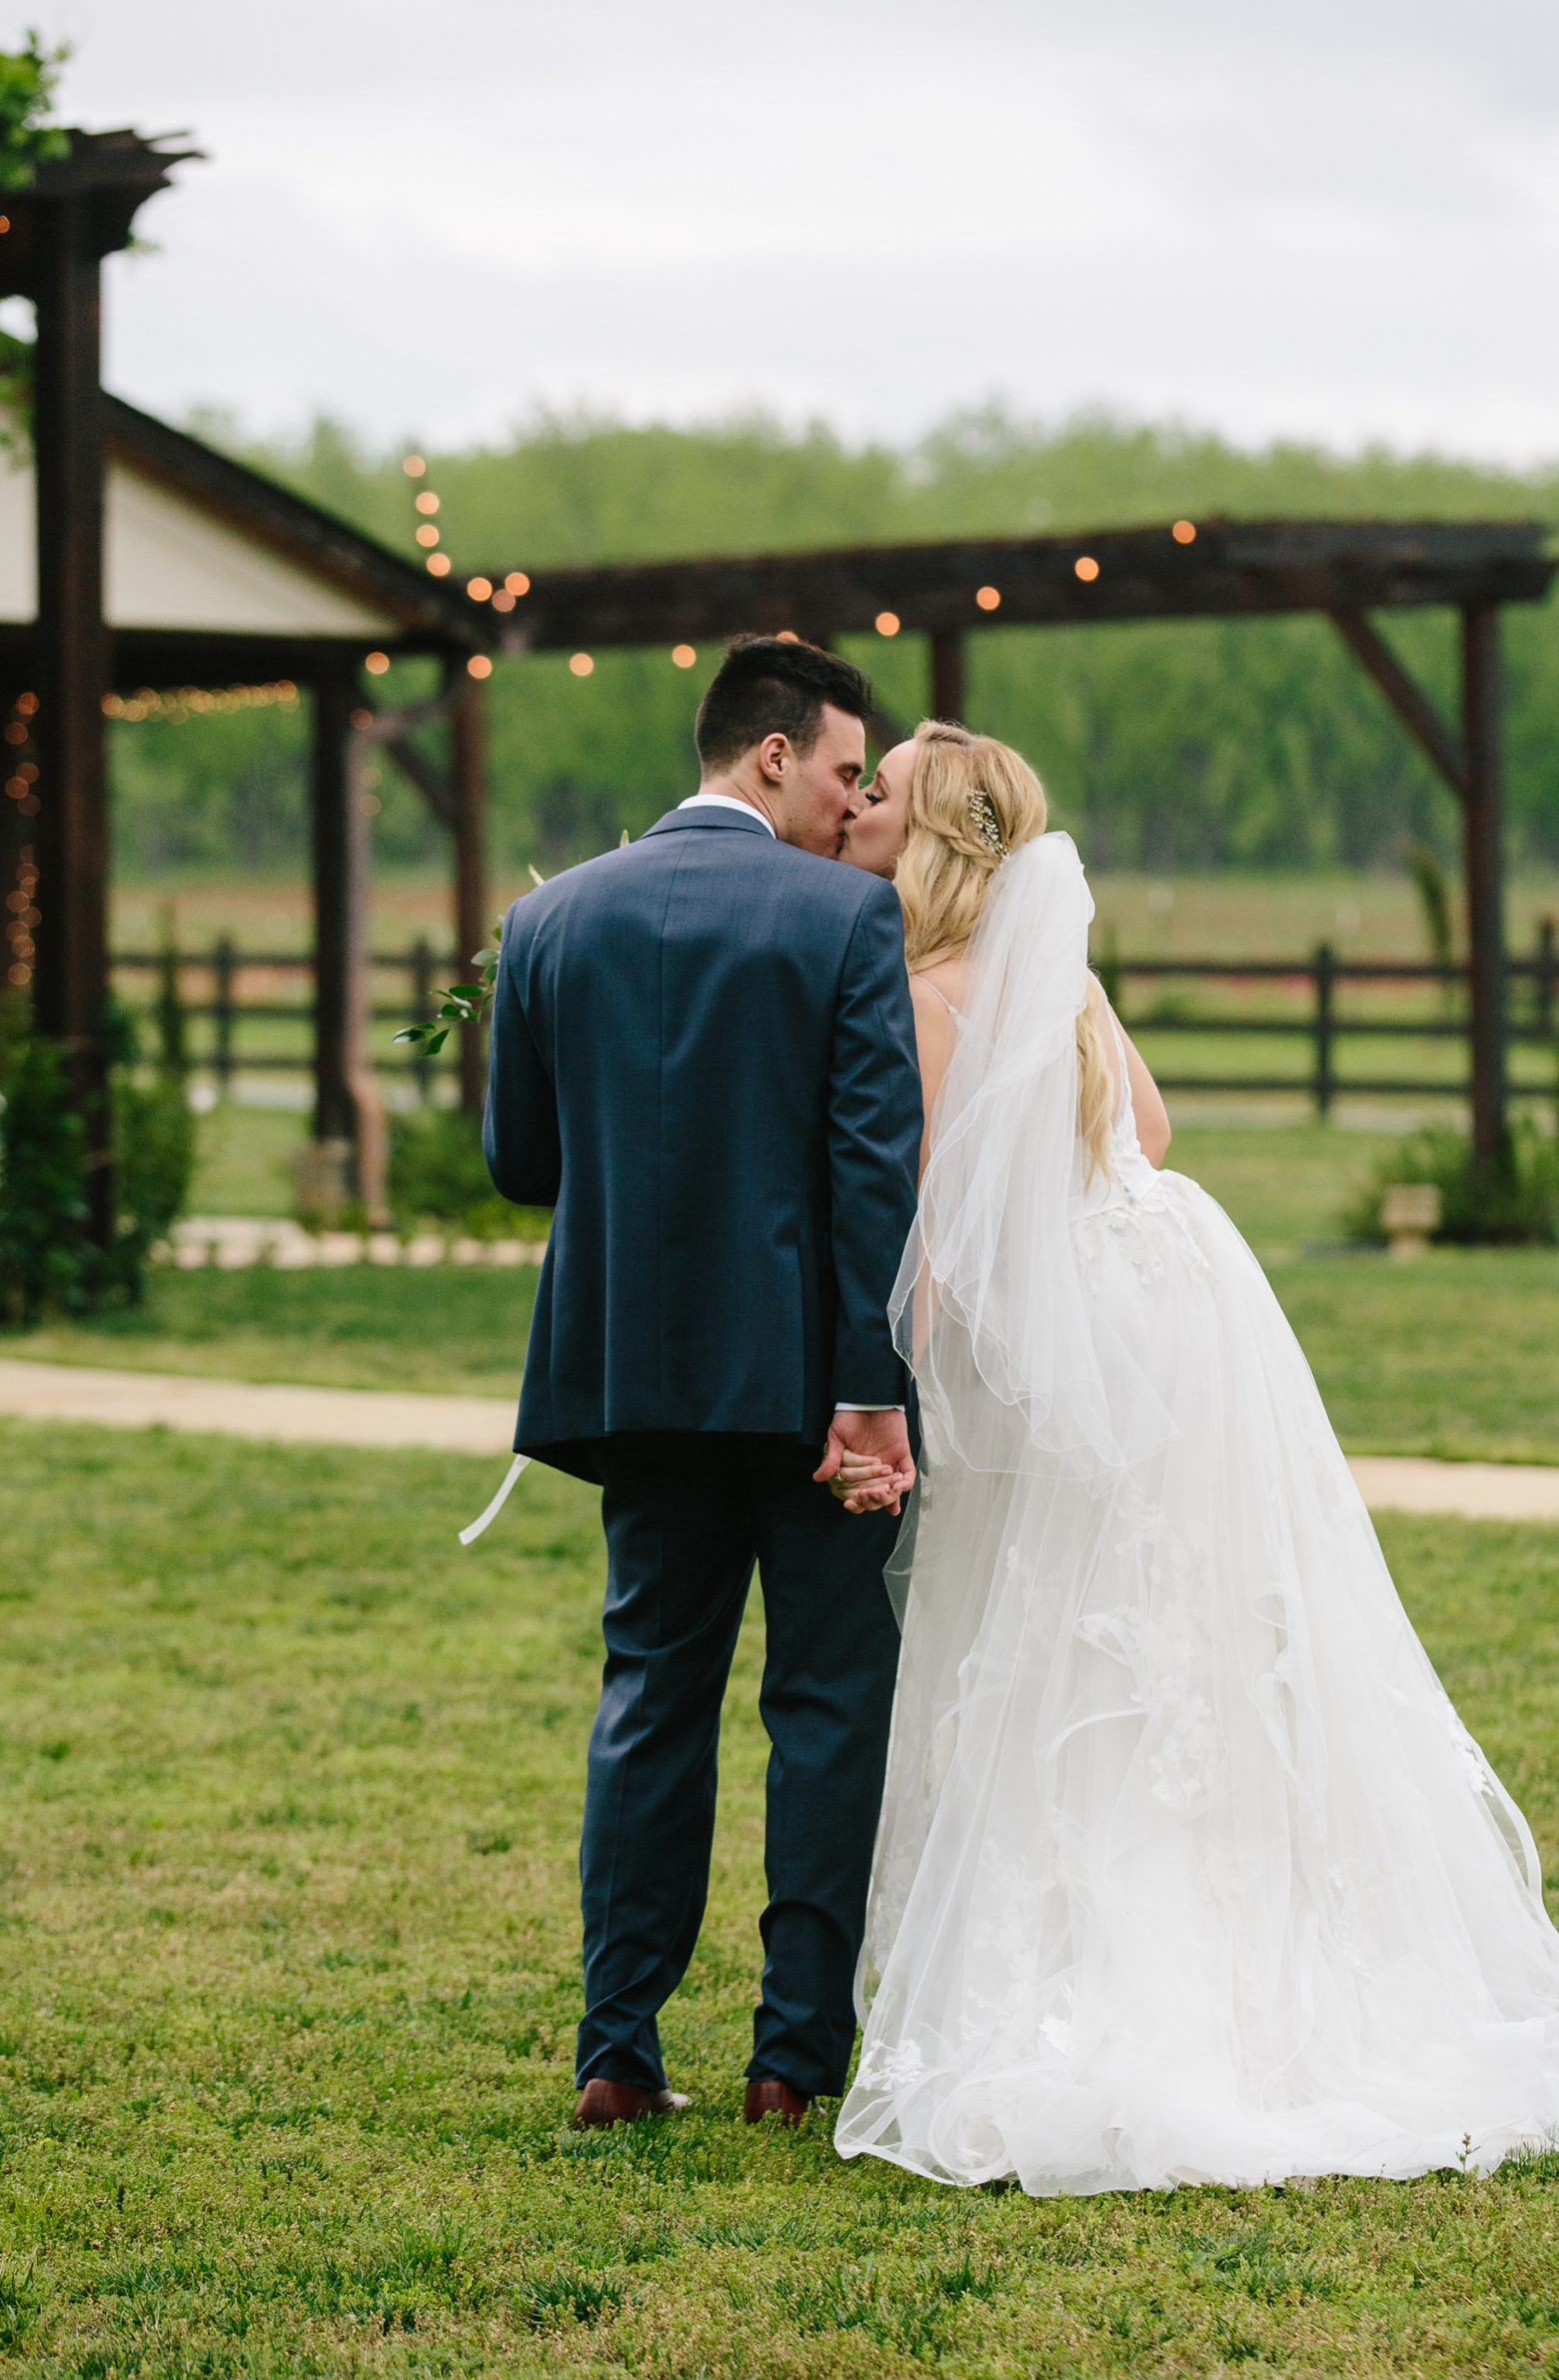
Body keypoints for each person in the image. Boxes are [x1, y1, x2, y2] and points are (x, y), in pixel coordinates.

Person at [828, 718, 1559, 2195]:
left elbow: (937, 1214)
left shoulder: (925, 989)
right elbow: (1144, 1129)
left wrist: (888, 1382)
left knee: (1060, 1629)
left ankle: (1102, 1987)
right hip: (1176, 1299)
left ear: (931, 833)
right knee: (1186, 1619)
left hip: (1080, 1344)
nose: (859, 803)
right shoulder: (1061, 974)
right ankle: (1266, 1956)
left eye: (878, 790)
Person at [483, 637, 922, 2130]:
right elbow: (875, 1173)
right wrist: (872, 1392)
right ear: (772, 753)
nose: (854, 802)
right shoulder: (847, 918)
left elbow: (521, 1163)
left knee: (651, 1699)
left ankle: (616, 2053)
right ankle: (792, 2064)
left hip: (634, 1382)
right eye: (846, 770)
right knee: (826, 1707)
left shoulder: (548, 920)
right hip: (808, 1390)